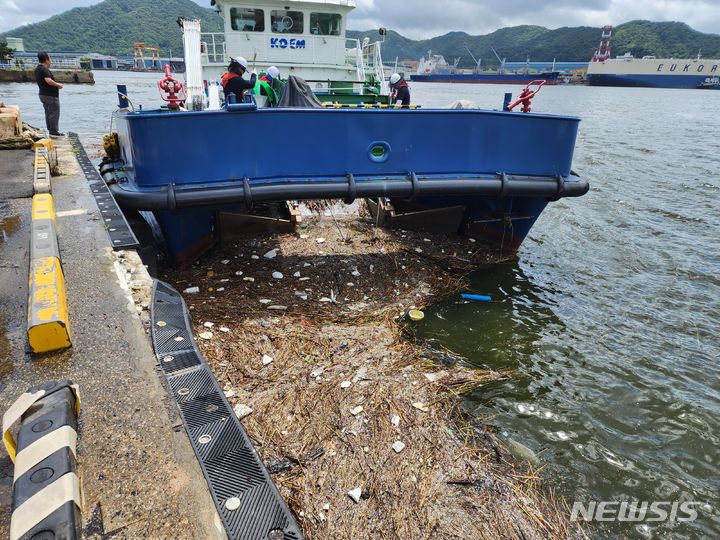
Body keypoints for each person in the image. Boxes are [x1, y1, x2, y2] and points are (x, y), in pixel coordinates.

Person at [34, 52, 64, 137]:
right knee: (54, 113)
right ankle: (54, 131)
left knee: (48, 113)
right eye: (50, 59)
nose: (51, 61)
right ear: (46, 60)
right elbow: (48, 81)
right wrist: (58, 85)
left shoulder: (37, 69)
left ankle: (51, 130)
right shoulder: (44, 69)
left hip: (42, 94)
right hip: (50, 95)